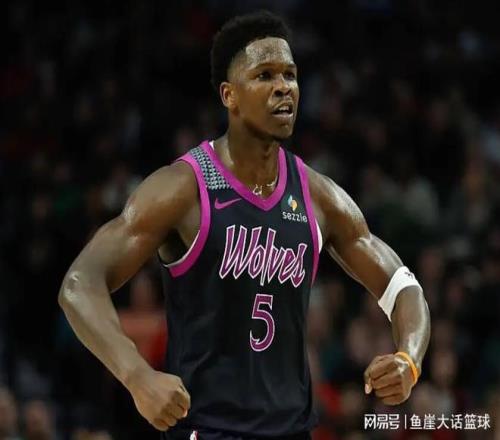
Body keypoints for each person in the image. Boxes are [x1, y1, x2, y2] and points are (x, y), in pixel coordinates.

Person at [58, 11, 430, 440]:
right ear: (229, 95)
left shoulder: (318, 195)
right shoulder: (184, 188)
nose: (283, 87)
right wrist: (136, 374)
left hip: (291, 431)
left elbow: (403, 286)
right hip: (207, 430)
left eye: (290, 74)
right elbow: (79, 284)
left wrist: (409, 359)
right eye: (264, 75)